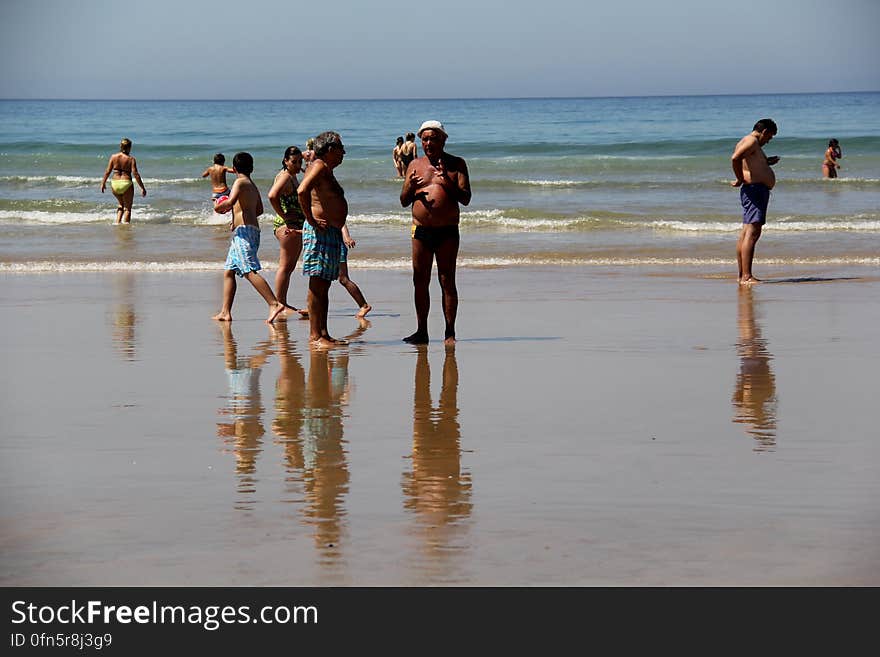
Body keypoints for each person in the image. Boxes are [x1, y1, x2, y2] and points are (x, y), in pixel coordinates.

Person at [400, 120, 471, 345]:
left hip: (447, 231)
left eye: (434, 138)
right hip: (420, 230)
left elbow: (465, 198)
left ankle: (450, 332)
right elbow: (403, 201)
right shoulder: (414, 165)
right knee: (419, 280)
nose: (429, 142)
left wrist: (446, 181)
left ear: (443, 140)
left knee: (446, 280)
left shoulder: (457, 164)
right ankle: (422, 331)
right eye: (425, 139)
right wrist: (411, 188)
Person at [212, 152, 286, 324]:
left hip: (244, 232)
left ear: (235, 168)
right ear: (251, 168)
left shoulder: (239, 182)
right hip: (249, 230)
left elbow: (229, 203)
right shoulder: (252, 185)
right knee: (229, 271)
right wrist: (237, 216)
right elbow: (259, 209)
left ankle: (274, 303)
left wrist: (218, 206)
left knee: (248, 270)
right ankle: (225, 312)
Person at [297, 131, 350, 347]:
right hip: (319, 231)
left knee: (324, 284)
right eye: (340, 148)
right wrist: (310, 219)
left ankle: (324, 333)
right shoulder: (319, 166)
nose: (343, 153)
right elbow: (302, 190)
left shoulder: (324, 168)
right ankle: (315, 336)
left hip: (330, 232)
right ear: (330, 150)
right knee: (317, 284)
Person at [730, 118, 779, 285]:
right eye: (769, 137)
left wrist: (767, 162)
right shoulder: (751, 141)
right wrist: (739, 179)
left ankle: (742, 275)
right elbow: (735, 159)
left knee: (746, 233)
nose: (768, 141)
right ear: (764, 132)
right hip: (755, 190)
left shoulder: (748, 142)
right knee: (752, 233)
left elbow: (749, 162)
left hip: (755, 190)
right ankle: (747, 276)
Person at [267, 146, 310, 319]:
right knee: (285, 266)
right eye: (294, 162)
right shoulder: (285, 176)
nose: (297, 165)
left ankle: (282, 302)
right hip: (287, 226)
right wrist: (283, 214)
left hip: (292, 225)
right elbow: (272, 196)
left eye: (299, 162)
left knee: (289, 267)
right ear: (285, 161)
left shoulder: (291, 175)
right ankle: (280, 304)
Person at [100, 137, 146, 224]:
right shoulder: (131, 159)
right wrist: (142, 188)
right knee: (128, 208)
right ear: (129, 147)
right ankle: (125, 228)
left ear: (121, 146)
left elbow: (107, 171)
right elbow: (136, 174)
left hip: (115, 184)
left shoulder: (113, 157)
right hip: (126, 183)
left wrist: (103, 183)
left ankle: (117, 223)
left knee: (121, 205)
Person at [338, 224, 371, 317]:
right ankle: (314, 307)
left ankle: (364, 305)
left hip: (336, 246)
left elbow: (341, 222)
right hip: (323, 246)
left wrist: (347, 237)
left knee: (343, 279)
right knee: (320, 279)